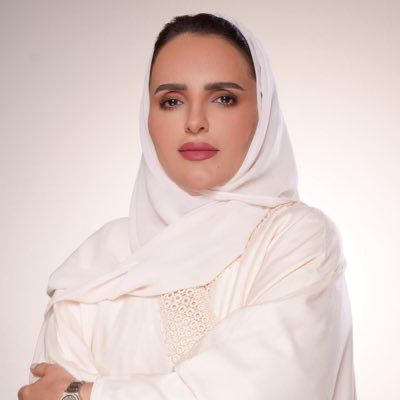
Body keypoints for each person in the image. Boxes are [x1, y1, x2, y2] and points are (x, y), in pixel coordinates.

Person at [19, 11, 357, 400]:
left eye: (224, 98)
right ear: (147, 115)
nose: (195, 121)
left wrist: (86, 394)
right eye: (172, 101)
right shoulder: (96, 267)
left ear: (263, 111)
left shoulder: (296, 240)